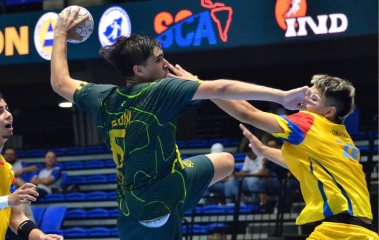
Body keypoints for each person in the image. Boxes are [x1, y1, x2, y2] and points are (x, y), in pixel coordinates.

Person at [50, 7, 320, 240]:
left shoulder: (103, 97)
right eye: (158, 60)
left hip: (130, 207)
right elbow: (222, 88)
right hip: (164, 198)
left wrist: (60, 33)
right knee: (223, 162)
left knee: (225, 161)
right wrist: (282, 96)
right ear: (139, 71)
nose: (166, 64)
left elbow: (60, 82)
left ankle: (181, 185)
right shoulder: (159, 91)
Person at [214, 75, 378, 239]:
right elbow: (302, 164)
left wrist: (206, 90)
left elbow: (248, 113)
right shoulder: (342, 138)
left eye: (313, 98)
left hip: (338, 230)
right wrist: (264, 150)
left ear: (329, 111)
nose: (305, 99)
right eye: (307, 93)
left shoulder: (309, 122)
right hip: (364, 231)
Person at [0, 91, 63, 240]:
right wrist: (8, 200)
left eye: (7, 109)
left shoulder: (7, 169)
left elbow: (16, 218)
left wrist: (41, 237)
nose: (8, 114)